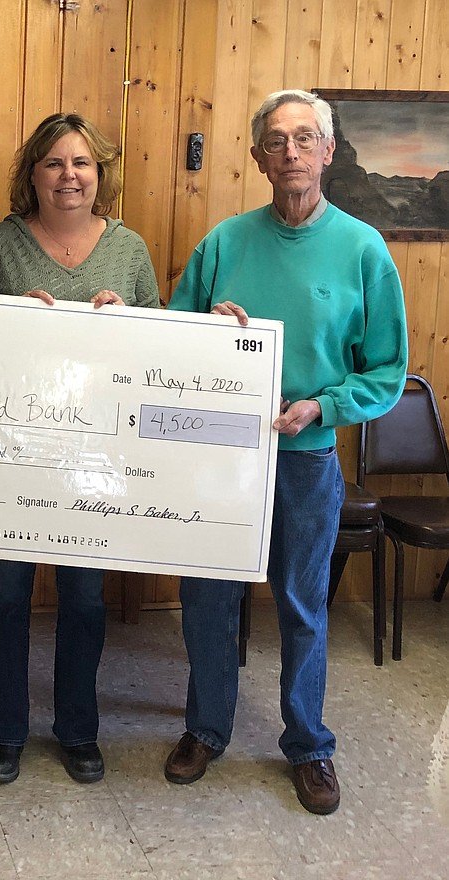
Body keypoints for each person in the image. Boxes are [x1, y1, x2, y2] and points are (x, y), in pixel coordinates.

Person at [163, 89, 407, 815]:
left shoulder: (365, 249)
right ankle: (206, 729)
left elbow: (386, 372)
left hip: (306, 458)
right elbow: (171, 340)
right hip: (220, 454)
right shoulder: (225, 243)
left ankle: (309, 745)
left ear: (328, 153)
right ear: (259, 156)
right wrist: (207, 329)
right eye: (277, 140)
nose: (291, 151)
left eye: (305, 138)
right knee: (207, 599)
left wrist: (323, 407)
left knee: (302, 605)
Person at [0, 112, 160, 786]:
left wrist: (127, 326)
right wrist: (12, 326)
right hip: (13, 451)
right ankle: (4, 733)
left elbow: (159, 353)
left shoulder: (129, 250)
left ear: (99, 173)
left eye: (80, 163)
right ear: (33, 174)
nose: (68, 175)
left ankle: (78, 730)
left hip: (94, 461)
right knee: (7, 598)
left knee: (82, 600)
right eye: (53, 163)